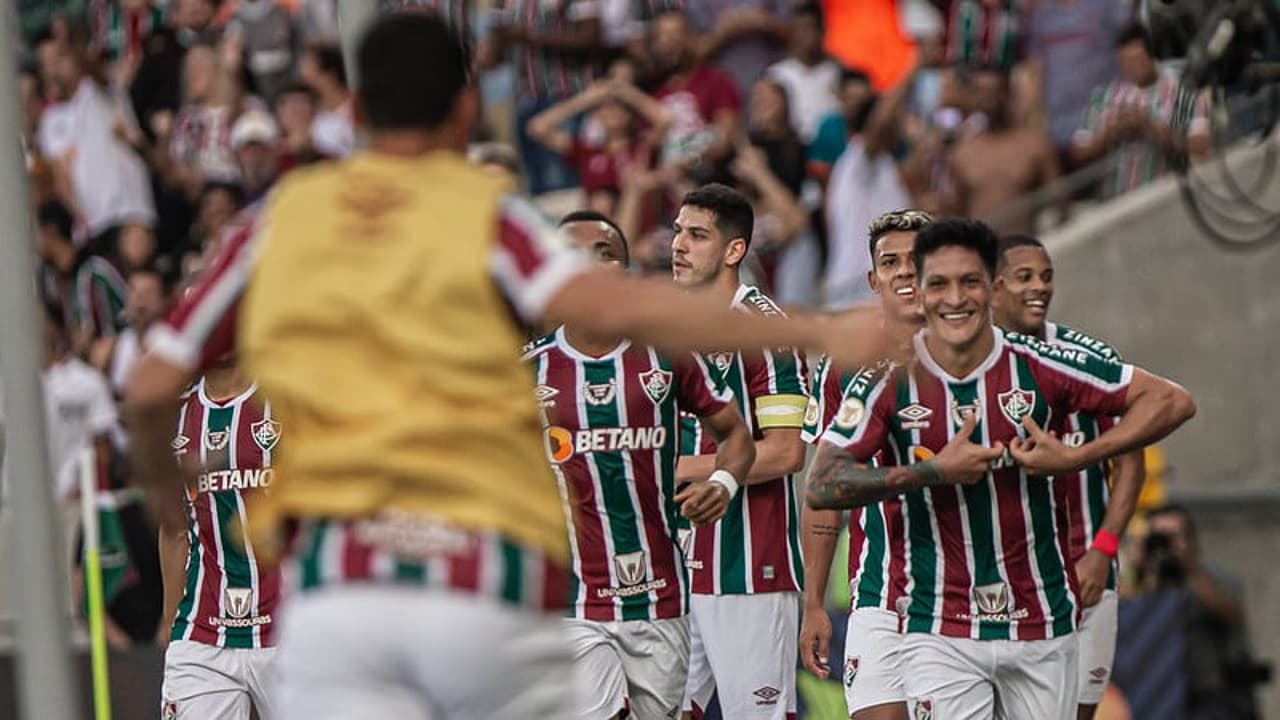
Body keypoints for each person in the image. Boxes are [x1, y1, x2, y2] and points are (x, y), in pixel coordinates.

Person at [125, 14, 881, 718]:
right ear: (463, 113)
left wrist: (174, 496)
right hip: (477, 589)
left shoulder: (281, 219)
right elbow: (616, 309)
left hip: (337, 597)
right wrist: (822, 330)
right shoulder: (480, 212)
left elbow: (152, 387)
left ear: (354, 111)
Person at [805, 217, 1197, 720]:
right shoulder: (882, 380)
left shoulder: (1043, 365)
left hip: (1041, 615)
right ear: (919, 292)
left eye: (969, 283)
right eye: (939, 285)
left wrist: (1077, 457)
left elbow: (1171, 401)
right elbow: (820, 484)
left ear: (992, 286)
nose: (954, 299)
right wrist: (932, 473)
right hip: (934, 618)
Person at [527, 210, 755, 719]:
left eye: (604, 254)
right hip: (570, 599)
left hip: (660, 595)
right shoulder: (527, 370)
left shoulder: (667, 352)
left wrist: (722, 481)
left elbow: (736, 435)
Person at [990, 234, 1146, 720]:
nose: (1040, 287)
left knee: (1077, 711)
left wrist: (1103, 551)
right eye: (1025, 277)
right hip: (1003, 580)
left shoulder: (1091, 358)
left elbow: (1132, 464)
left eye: (1047, 276)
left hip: (1086, 572)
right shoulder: (975, 365)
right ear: (994, 288)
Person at [670, 184, 810, 720]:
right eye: (679, 231)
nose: (679, 245)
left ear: (734, 251)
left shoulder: (765, 330)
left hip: (748, 571)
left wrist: (673, 468)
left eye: (698, 235)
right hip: (680, 565)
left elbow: (784, 454)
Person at [799, 209, 933, 720]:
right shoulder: (844, 362)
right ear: (873, 279)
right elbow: (821, 490)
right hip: (876, 589)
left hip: (959, 594)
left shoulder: (973, 352)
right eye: (890, 262)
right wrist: (813, 600)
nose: (904, 271)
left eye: (916, 260)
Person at [157, 357, 281, 720]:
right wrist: (171, 624)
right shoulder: (175, 416)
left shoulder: (286, 400)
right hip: (201, 631)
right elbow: (173, 527)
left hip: (287, 628)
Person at [1072, 23, 1211, 196]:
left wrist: (1151, 128)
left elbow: (1202, 144)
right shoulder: (1106, 97)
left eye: (1137, 60)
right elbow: (1079, 152)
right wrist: (1111, 131)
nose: (1132, 68)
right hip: (1117, 199)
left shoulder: (1181, 92)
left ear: (1151, 55)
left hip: (1166, 194)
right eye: (1125, 62)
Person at [526, 78, 670, 216]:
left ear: (631, 115)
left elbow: (665, 119)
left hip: (635, 228)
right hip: (596, 227)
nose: (612, 111)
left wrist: (625, 91)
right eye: (604, 107)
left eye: (619, 106)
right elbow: (537, 128)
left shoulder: (642, 146)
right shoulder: (588, 151)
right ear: (597, 115)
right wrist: (586, 99)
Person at [947, 66, 1059, 234]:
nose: (990, 99)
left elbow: (1058, 202)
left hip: (1027, 249)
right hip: (984, 253)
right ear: (973, 97)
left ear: (1008, 92)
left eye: (996, 91)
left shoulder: (1035, 144)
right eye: (982, 92)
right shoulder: (962, 155)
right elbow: (954, 216)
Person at [766, 2, 841, 145]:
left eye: (810, 28)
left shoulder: (837, 72)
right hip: (791, 151)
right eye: (799, 29)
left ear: (822, 31)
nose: (806, 36)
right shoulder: (777, 74)